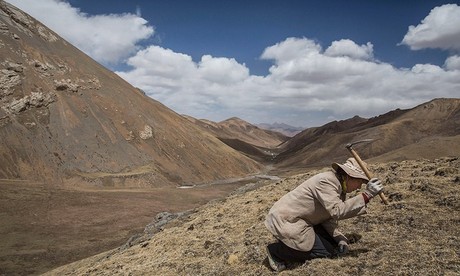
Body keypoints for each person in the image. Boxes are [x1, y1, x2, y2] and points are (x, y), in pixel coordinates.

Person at [264, 157, 383, 272]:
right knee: (324, 252)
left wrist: (340, 239)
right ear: (349, 176)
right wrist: (366, 195)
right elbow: (337, 211)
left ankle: (289, 243)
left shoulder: (337, 185)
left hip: (303, 219)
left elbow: (327, 217)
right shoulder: (326, 182)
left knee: (331, 243)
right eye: (359, 182)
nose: (359, 187)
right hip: (288, 220)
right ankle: (275, 251)